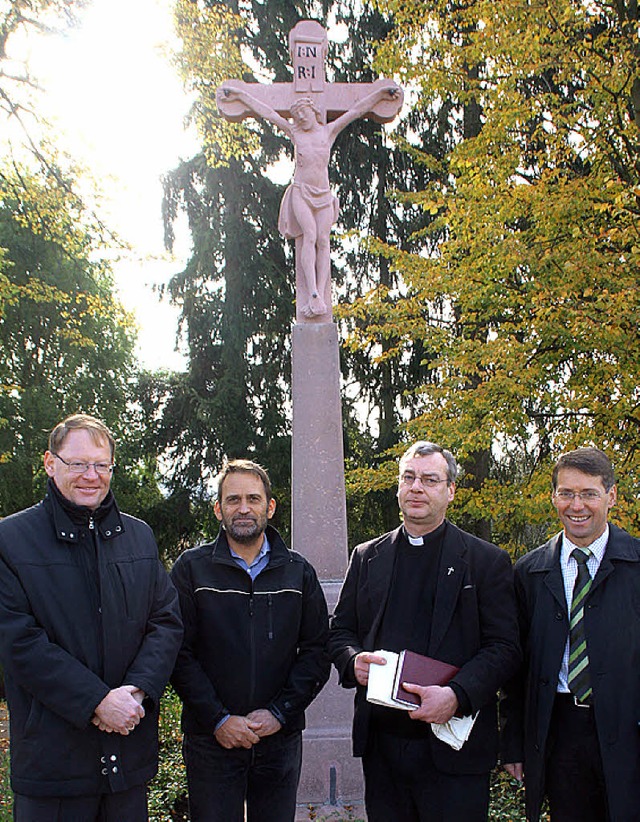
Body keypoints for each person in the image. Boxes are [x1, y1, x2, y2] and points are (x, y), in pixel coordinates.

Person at [0, 413, 183, 821]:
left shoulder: (138, 536)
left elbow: (165, 622)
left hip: (127, 760)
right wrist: (96, 702)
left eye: (101, 465)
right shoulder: (10, 540)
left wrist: (136, 691)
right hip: (53, 768)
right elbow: (18, 641)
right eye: (77, 463)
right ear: (50, 463)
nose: (91, 475)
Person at [329, 440, 521, 822]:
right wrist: (353, 663)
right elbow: (340, 632)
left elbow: (505, 648)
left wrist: (457, 695)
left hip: (454, 751)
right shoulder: (367, 556)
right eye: (409, 478)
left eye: (430, 479)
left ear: (450, 491)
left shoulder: (486, 561)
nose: (417, 487)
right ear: (398, 487)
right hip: (383, 752)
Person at [170, 459, 330, 822]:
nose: (243, 508)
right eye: (233, 500)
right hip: (211, 740)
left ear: (269, 507)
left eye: (253, 499)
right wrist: (218, 719)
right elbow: (178, 653)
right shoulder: (190, 569)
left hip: (279, 740)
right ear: (218, 509)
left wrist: (280, 713)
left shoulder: (298, 571)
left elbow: (317, 651)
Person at [502, 447, 640, 822]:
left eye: (589, 494)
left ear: (611, 496)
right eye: (566, 493)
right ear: (553, 497)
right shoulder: (529, 573)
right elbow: (516, 669)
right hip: (560, 733)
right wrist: (514, 741)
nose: (576, 505)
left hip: (628, 730)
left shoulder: (636, 565)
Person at [218, 82, 401, 319]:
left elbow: (356, 110)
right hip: (301, 191)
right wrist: (241, 96)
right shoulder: (295, 133)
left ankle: (321, 294)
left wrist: (378, 94)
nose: (299, 119)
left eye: (302, 114)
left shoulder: (329, 131)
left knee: (323, 240)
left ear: (313, 112)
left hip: (323, 195)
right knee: (310, 235)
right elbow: (269, 113)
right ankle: (312, 292)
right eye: (296, 116)